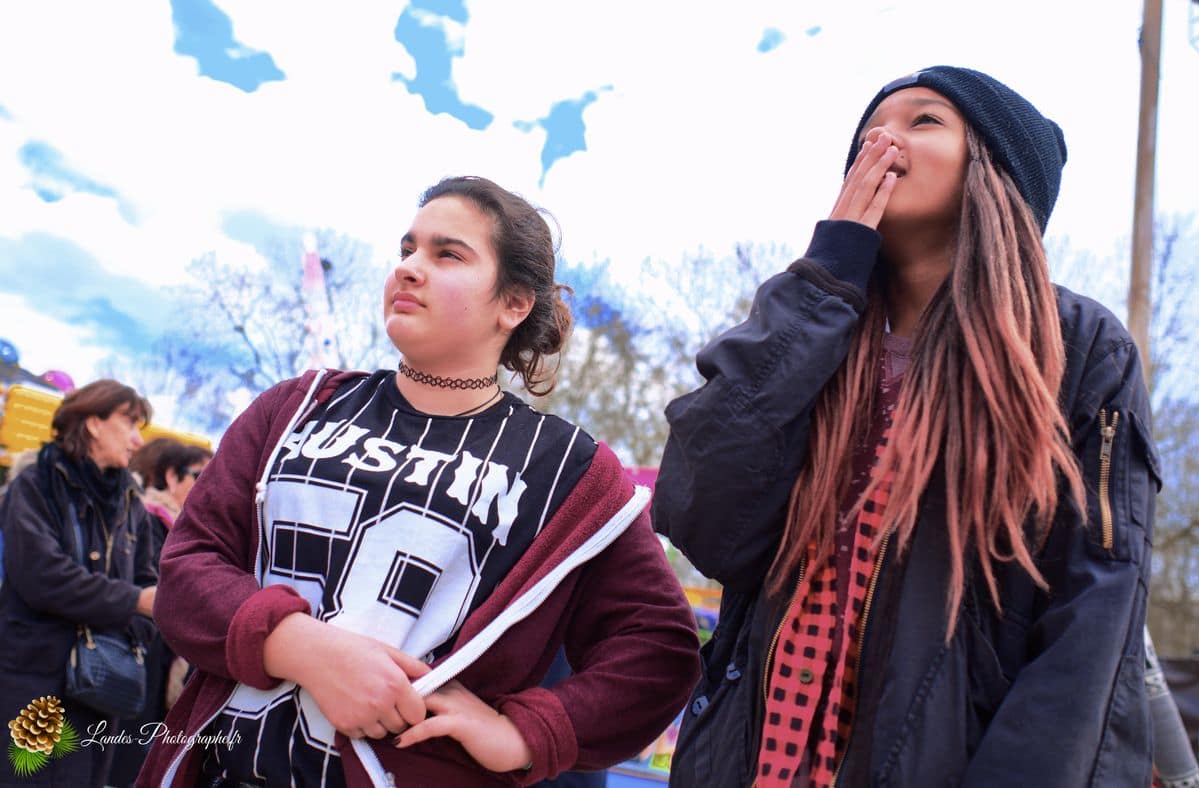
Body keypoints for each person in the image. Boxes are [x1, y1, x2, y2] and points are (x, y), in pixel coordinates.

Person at [654, 66, 1160, 787]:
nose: (882, 139)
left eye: (923, 121)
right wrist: (825, 275)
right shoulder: (812, 325)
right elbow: (702, 518)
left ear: (997, 171)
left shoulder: (1076, 347)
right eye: (869, 132)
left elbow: (1093, 626)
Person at [139, 176, 700, 787]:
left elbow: (660, 647)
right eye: (407, 249)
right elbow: (189, 566)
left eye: (447, 254)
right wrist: (299, 646)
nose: (409, 268)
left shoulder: (569, 468)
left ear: (513, 303)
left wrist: (526, 733)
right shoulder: (294, 405)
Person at [0, 380, 158, 788]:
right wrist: (134, 602)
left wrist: (131, 640)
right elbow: (42, 576)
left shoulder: (131, 504)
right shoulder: (35, 485)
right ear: (93, 423)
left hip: (103, 688)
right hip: (34, 678)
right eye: (130, 424)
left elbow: (153, 586)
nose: (138, 441)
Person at [107, 439, 212, 788]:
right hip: (138, 654)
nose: (208, 485)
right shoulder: (145, 517)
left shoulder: (181, 526)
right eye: (199, 475)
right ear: (171, 475)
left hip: (159, 657)